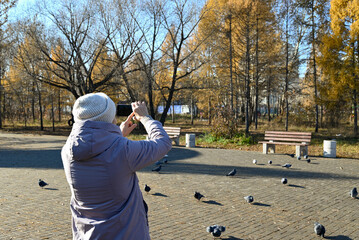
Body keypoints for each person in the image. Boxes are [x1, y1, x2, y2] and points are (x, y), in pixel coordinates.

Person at [61, 92, 172, 240]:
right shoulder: (123, 150)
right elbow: (163, 143)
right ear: (109, 117)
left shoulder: (67, 150)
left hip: (87, 235)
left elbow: (100, 155)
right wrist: (145, 117)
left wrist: (117, 135)